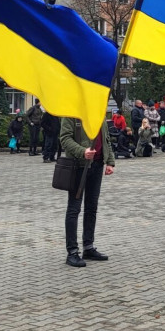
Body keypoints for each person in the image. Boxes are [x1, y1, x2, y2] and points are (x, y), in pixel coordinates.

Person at [59, 114, 116, 267]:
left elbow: (106, 139)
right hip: (78, 166)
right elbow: (64, 138)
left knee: (91, 208)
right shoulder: (71, 113)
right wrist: (82, 151)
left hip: (96, 165)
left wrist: (110, 161)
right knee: (74, 208)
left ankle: (88, 247)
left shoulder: (98, 111)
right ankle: (72, 252)